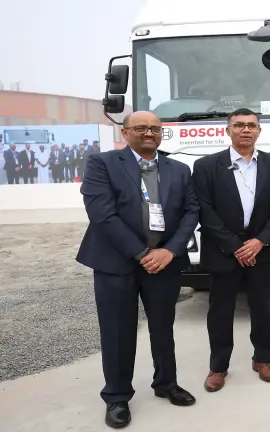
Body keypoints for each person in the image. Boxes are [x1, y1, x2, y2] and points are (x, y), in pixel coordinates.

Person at [76, 111, 200, 428]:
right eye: (141, 128)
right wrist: (143, 252)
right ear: (126, 132)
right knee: (118, 331)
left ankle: (166, 383)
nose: (149, 133)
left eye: (155, 129)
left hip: (164, 263)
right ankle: (117, 397)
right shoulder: (101, 164)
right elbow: (102, 214)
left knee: (163, 327)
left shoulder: (179, 169)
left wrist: (170, 251)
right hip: (115, 263)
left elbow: (191, 212)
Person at [192, 108, 270, 392]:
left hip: (261, 248)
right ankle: (218, 366)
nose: (245, 130)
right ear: (228, 130)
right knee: (220, 310)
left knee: (261, 307)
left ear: (259, 131)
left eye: (251, 125)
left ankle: (262, 359)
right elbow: (204, 210)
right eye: (239, 125)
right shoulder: (206, 166)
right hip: (223, 249)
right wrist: (235, 246)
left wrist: (260, 241)